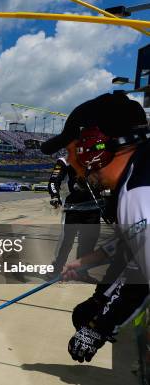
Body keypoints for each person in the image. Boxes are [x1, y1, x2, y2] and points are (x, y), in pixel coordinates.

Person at [43, 92, 150, 364]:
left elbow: (141, 280)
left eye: (71, 153)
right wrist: (89, 260)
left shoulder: (138, 194)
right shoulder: (140, 170)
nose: (75, 169)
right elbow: (136, 237)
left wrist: (97, 328)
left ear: (91, 148)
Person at [42, 142, 102, 281]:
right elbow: (53, 181)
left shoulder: (98, 157)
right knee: (66, 240)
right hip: (73, 207)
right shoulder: (65, 160)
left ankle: (82, 272)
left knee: (88, 241)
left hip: (94, 207)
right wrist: (55, 196)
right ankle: (56, 269)